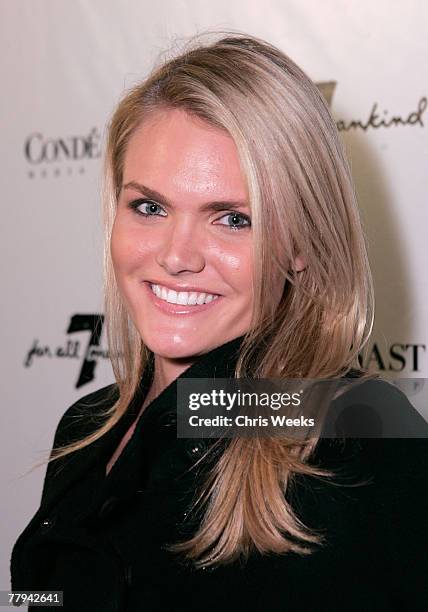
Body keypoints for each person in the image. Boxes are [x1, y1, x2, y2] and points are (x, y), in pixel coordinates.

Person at [11, 31, 428, 611]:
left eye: (233, 219)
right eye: (149, 207)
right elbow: (45, 595)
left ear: (302, 243)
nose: (177, 256)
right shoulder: (89, 424)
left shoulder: (359, 439)